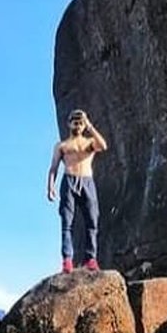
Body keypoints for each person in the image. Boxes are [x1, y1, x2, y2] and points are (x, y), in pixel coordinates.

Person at [47, 109, 108, 273]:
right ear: (69, 124)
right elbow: (53, 167)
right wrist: (50, 187)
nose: (78, 124)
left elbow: (103, 145)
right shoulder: (62, 145)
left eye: (80, 122)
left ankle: (91, 259)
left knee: (92, 221)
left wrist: (90, 126)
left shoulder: (89, 143)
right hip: (69, 180)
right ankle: (67, 260)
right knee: (67, 222)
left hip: (87, 181)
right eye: (75, 121)